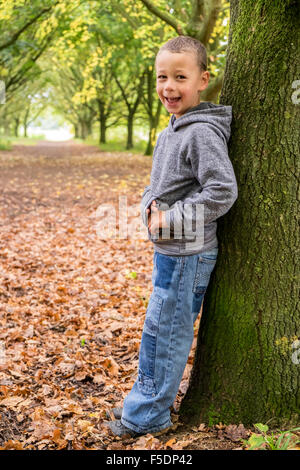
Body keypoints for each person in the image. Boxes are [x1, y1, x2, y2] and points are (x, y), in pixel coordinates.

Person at [106, 36, 238, 438]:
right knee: (157, 329)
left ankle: (147, 417)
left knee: (167, 333)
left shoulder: (201, 133)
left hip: (188, 255)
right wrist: (149, 206)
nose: (169, 86)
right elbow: (159, 185)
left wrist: (170, 219)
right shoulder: (171, 131)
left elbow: (222, 190)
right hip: (169, 252)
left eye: (180, 76)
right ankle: (145, 401)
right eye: (162, 76)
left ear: (203, 79)